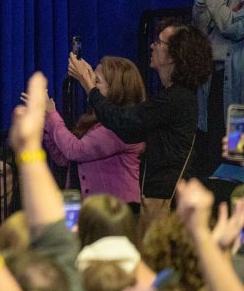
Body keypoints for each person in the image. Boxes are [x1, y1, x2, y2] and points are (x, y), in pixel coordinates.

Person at [69, 21, 212, 233]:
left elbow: (124, 123)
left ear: (174, 55)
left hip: (164, 202)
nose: (152, 46)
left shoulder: (176, 99)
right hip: (158, 198)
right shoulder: (173, 97)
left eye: (159, 42)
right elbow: (127, 125)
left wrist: (90, 87)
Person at [43, 56, 145, 206]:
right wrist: (45, 124)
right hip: (90, 212)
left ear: (117, 89)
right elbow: (65, 158)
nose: (90, 87)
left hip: (116, 213)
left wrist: (52, 115)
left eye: (96, 82)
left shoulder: (121, 127)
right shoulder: (94, 121)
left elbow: (75, 150)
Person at [189, 0, 244, 177]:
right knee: (213, 156)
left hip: (238, 92)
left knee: (236, 160)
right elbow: (202, 23)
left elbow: (232, 26)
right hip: (216, 85)